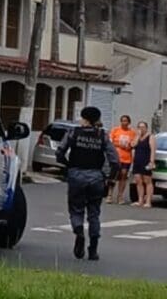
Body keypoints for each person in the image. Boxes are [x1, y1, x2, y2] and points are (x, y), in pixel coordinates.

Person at [57, 106, 121, 261]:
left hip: (76, 175)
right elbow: (115, 161)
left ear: (83, 118)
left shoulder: (73, 133)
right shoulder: (102, 135)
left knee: (76, 209)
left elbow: (60, 152)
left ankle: (79, 232)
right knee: (94, 213)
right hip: (96, 177)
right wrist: (109, 179)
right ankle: (93, 249)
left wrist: (67, 165)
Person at [108, 115, 137, 204]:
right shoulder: (115, 130)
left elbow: (133, 144)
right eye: (122, 121)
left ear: (129, 122)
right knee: (113, 176)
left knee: (123, 175)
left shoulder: (132, 132)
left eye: (126, 121)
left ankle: (120, 196)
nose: (124, 122)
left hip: (126, 158)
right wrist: (117, 146)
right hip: (116, 157)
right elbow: (110, 141)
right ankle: (109, 195)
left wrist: (130, 146)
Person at [131, 122, 157, 208]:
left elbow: (153, 150)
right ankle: (140, 200)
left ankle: (148, 201)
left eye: (143, 127)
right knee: (138, 181)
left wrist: (151, 161)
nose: (141, 129)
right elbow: (133, 145)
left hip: (146, 160)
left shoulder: (151, 137)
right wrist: (138, 136)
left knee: (147, 181)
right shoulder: (137, 137)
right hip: (137, 161)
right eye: (139, 127)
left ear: (146, 128)